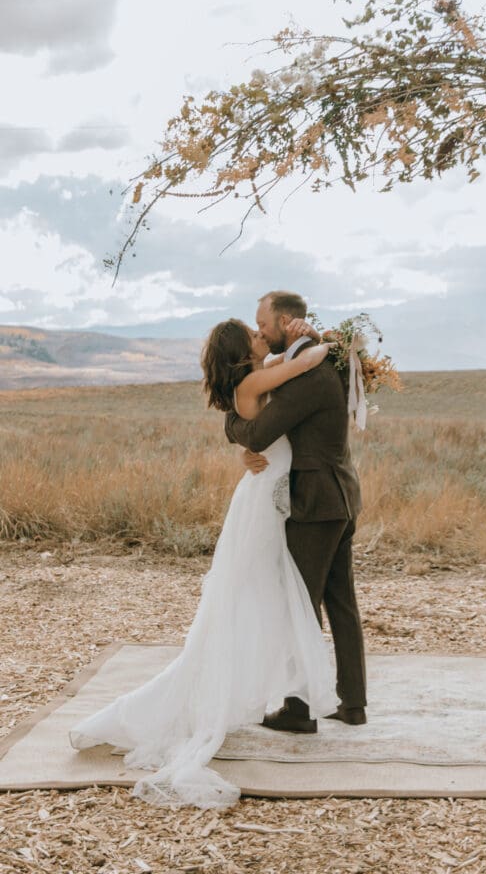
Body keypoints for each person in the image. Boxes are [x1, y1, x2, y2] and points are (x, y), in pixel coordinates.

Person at [68, 317, 339, 810]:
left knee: (261, 591)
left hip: (267, 494)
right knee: (255, 591)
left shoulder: (256, 374)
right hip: (263, 501)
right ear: (244, 352)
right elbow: (309, 361)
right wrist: (333, 342)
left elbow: (282, 368)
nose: (264, 338)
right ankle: (249, 684)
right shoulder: (255, 380)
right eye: (256, 336)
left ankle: (264, 680)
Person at [225, 290, 367, 734]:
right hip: (339, 497)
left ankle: (299, 709)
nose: (260, 331)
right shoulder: (317, 362)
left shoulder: (310, 375)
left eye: (263, 323)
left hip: (316, 504)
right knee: (340, 602)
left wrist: (229, 421)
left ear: (286, 322)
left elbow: (261, 430)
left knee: (298, 605)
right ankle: (352, 703)